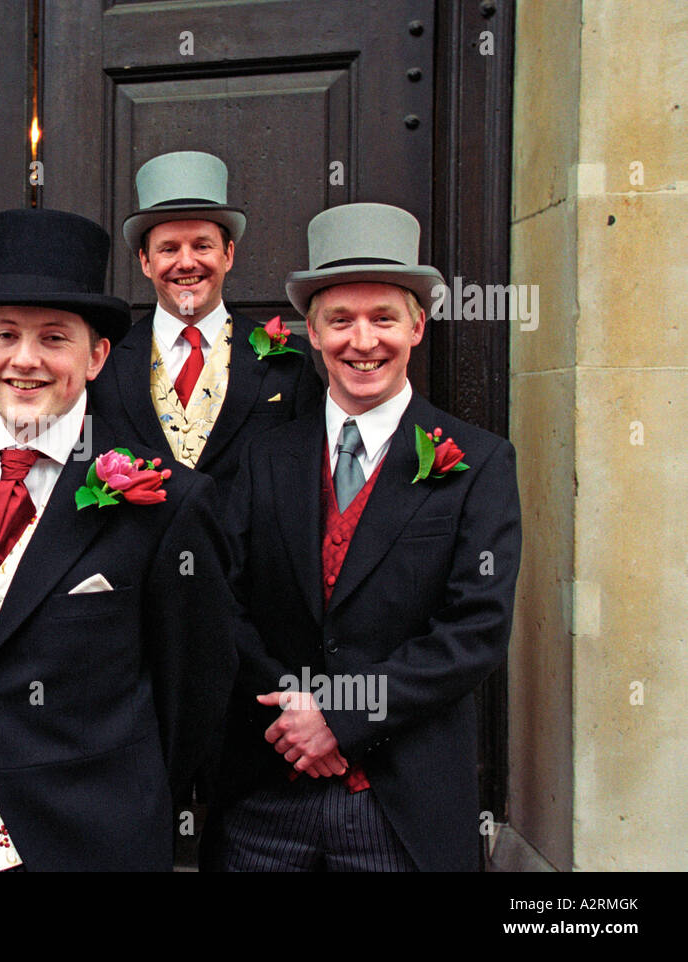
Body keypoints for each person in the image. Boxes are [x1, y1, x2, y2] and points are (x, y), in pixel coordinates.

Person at [0, 208, 237, 871]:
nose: (25, 360)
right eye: (5, 335)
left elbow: (194, 697)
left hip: (84, 843)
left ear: (97, 355)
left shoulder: (168, 503)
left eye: (54, 339)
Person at [201, 202, 522, 872]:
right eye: (340, 320)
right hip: (265, 794)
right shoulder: (261, 457)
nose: (363, 341)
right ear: (311, 334)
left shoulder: (479, 461)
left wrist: (341, 718)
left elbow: (476, 629)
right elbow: (218, 601)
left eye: (383, 318)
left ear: (418, 326)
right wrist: (294, 717)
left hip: (403, 805)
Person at [91, 149, 321, 495]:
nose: (186, 263)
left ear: (227, 254)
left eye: (202, 246)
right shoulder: (104, 364)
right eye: (169, 249)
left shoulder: (291, 363)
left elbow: (305, 485)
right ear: (145, 262)